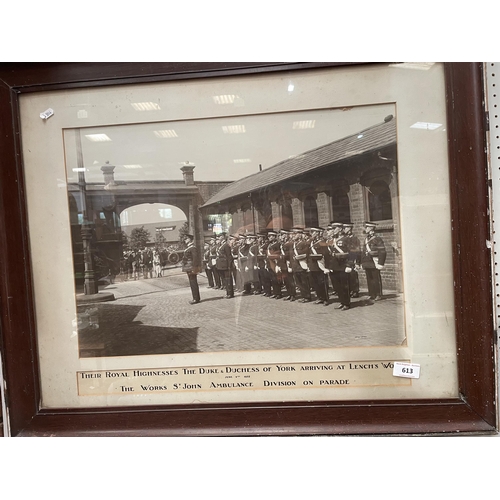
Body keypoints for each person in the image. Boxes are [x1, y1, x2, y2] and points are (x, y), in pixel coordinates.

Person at [361, 221, 387, 301]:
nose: (365, 229)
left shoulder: (377, 239)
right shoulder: (366, 239)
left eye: (366, 227)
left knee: (376, 278)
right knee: (369, 278)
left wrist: (380, 263)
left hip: (374, 261)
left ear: (371, 228)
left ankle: (378, 294)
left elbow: (382, 251)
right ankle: (371, 294)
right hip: (367, 261)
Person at [181, 234, 201, 304]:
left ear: (190, 239)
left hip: (191, 267)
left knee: (193, 282)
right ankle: (195, 297)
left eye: (186, 238)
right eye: (185, 239)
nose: (185, 240)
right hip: (188, 268)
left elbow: (195, 259)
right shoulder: (189, 248)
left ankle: (196, 298)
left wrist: (194, 268)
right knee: (192, 282)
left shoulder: (193, 248)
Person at [343, 223, 361, 298]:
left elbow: (357, 250)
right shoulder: (345, 238)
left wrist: (356, 261)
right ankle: (350, 290)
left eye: (346, 228)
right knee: (347, 276)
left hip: (352, 258)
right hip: (346, 259)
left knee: (353, 275)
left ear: (350, 229)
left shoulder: (354, 238)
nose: (344, 230)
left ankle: (355, 291)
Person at [216, 233, 234, 298]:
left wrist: (229, 266)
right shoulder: (220, 245)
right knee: (225, 280)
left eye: (220, 236)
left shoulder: (226, 245)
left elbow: (229, 257)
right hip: (221, 265)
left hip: (226, 265)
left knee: (228, 279)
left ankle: (230, 293)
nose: (219, 238)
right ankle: (227, 292)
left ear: (223, 237)